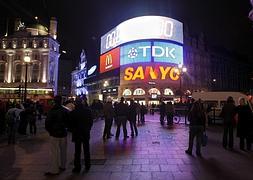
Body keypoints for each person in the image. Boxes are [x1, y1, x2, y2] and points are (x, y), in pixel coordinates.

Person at [45, 96, 69, 176]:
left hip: (54, 133)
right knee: (63, 151)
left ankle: (54, 170)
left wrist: (50, 131)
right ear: (61, 101)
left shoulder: (52, 110)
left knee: (54, 152)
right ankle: (63, 166)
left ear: (54, 101)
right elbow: (69, 121)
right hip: (63, 133)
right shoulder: (65, 110)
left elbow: (47, 123)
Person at [70, 97, 93, 173]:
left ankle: (77, 167)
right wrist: (88, 129)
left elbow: (71, 124)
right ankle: (87, 165)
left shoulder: (73, 112)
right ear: (82, 102)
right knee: (86, 149)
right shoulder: (88, 111)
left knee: (77, 151)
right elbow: (91, 122)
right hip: (85, 132)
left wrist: (73, 130)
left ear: (76, 103)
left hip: (77, 133)